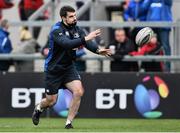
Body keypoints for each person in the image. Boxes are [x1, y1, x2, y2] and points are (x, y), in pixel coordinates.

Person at [32, 6, 111, 129]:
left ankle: (68, 123)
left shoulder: (77, 29)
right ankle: (39, 107)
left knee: (78, 91)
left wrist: (98, 50)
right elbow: (67, 44)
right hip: (54, 70)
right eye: (71, 16)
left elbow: (87, 43)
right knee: (51, 101)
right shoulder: (56, 30)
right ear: (63, 17)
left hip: (68, 68)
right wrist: (85, 38)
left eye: (75, 16)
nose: (74, 18)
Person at [146, 0, 173, 71]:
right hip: (152, 27)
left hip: (163, 28)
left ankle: (167, 69)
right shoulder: (150, 2)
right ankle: (153, 68)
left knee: (165, 47)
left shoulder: (166, 2)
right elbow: (144, 7)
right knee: (151, 47)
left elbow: (169, 2)